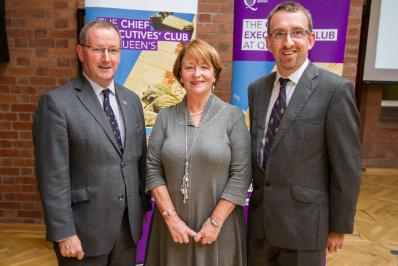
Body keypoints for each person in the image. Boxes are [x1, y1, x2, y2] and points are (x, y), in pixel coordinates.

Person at [247, 1, 362, 265]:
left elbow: (347, 167)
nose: (288, 42)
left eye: (297, 32)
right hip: (260, 226)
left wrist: (339, 226)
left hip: (305, 228)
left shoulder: (335, 91)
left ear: (310, 40)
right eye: (279, 34)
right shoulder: (257, 90)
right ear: (268, 42)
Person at [32, 20, 151, 266]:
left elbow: (138, 161)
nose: (106, 58)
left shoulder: (132, 101)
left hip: (128, 229)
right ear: (81, 52)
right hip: (83, 231)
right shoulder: (57, 104)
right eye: (98, 49)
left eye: (113, 50)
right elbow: (52, 176)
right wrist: (64, 232)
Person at [144, 39, 251, 266]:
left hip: (220, 229)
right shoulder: (165, 117)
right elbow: (152, 168)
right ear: (180, 75)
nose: (197, 74)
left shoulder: (232, 116)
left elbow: (241, 174)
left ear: (215, 74)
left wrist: (214, 222)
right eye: (189, 67)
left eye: (204, 67)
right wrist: (171, 218)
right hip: (171, 227)